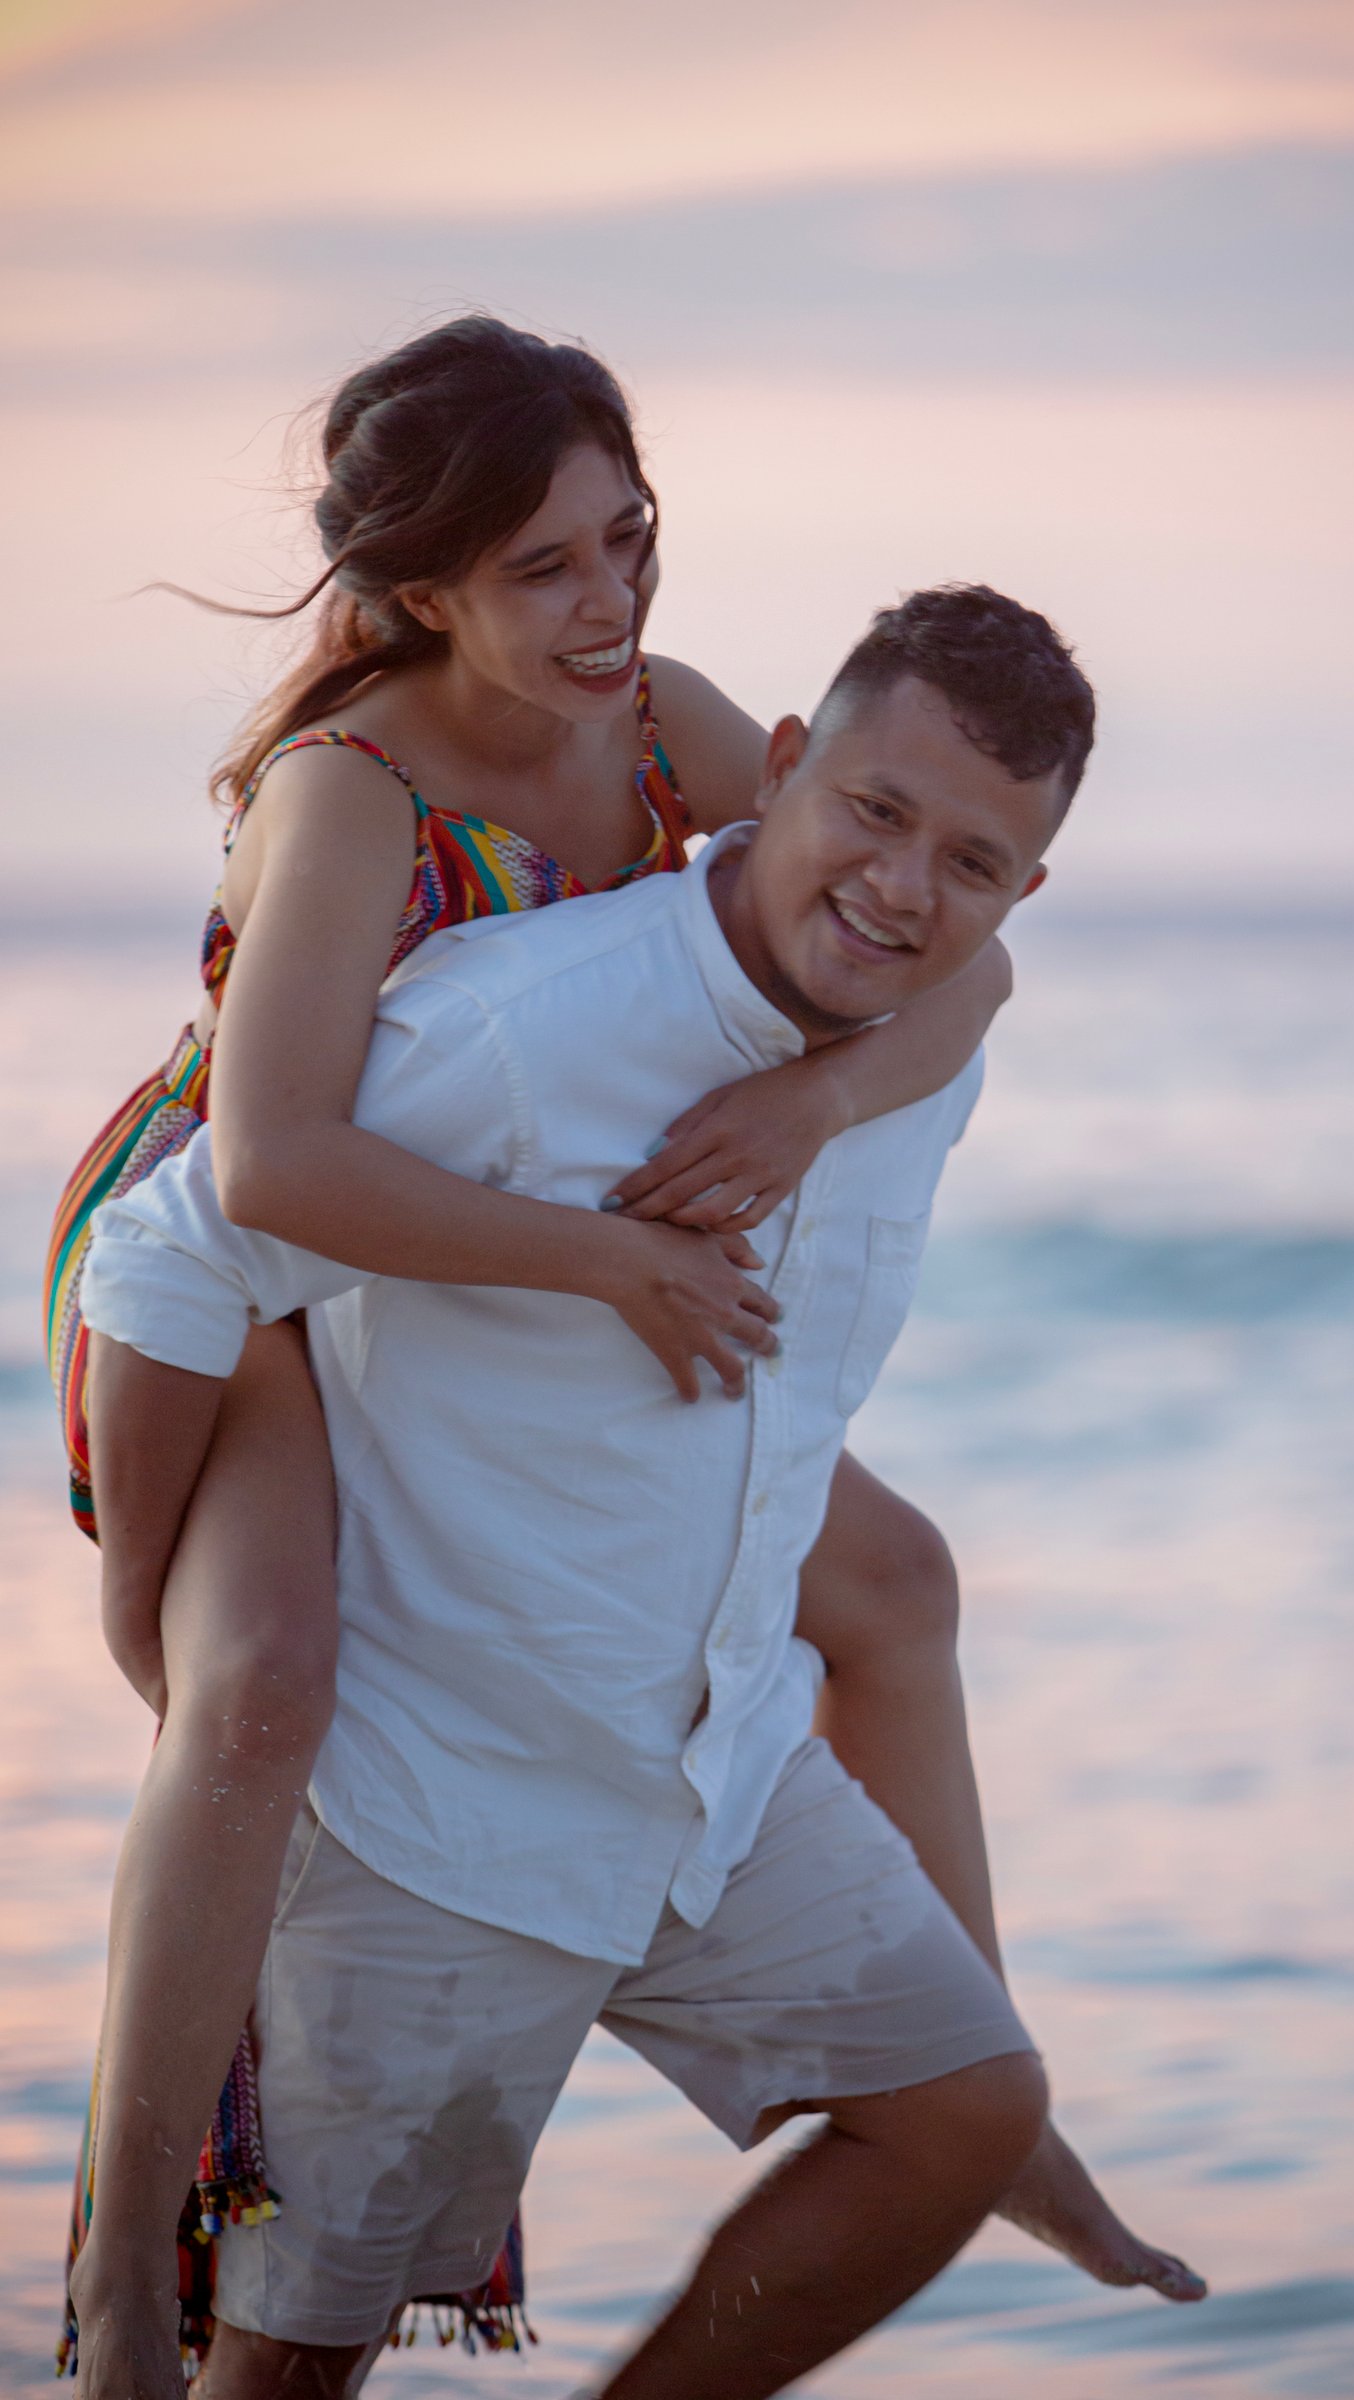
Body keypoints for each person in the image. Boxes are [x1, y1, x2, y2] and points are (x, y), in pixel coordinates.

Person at [49, 320, 1201, 2395]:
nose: (607, 603)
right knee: (253, 1691)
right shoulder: (350, 792)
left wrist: (810, 1104)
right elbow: (264, 1174)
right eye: (544, 568)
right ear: (424, 592)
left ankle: (982, 2106)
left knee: (893, 1580)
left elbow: (951, 943)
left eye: (627, 540)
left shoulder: (662, 717)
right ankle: (127, 2261)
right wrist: (149, 1580)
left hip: (449, 1208)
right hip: (273, 1223)